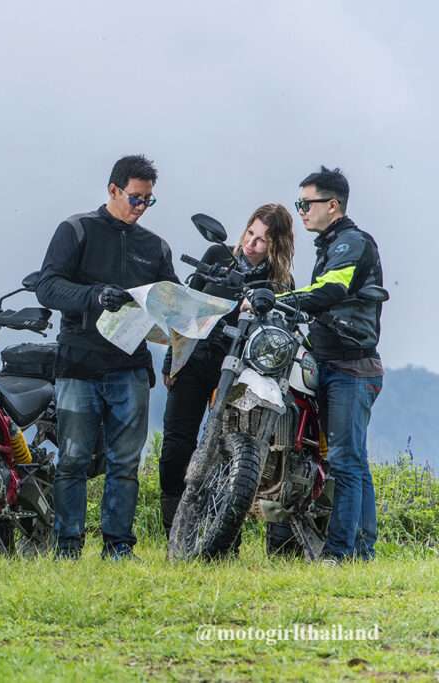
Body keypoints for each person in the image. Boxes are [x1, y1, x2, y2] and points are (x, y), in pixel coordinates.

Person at [36, 154, 178, 560]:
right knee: (73, 458)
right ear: (113, 189)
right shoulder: (76, 229)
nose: (140, 207)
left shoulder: (155, 247)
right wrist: (94, 296)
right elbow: (47, 288)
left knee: (125, 462)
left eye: (148, 201)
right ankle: (67, 547)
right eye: (135, 198)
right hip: (78, 363)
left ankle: (118, 546)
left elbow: (172, 300)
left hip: (130, 366)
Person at [159, 204, 295, 540]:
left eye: (263, 240)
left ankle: (220, 535)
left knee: (228, 447)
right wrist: (170, 360)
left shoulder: (280, 282)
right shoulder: (218, 256)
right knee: (177, 444)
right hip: (196, 358)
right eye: (251, 233)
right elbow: (188, 308)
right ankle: (172, 529)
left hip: (240, 371)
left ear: (277, 246)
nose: (252, 244)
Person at [277, 166, 384, 563]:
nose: (301, 210)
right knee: (352, 459)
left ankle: (337, 553)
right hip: (333, 365)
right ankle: (362, 550)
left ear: (333, 205)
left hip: (352, 369)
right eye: (299, 203)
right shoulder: (331, 243)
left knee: (344, 461)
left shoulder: (352, 242)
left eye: (306, 203)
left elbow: (332, 289)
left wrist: (283, 300)